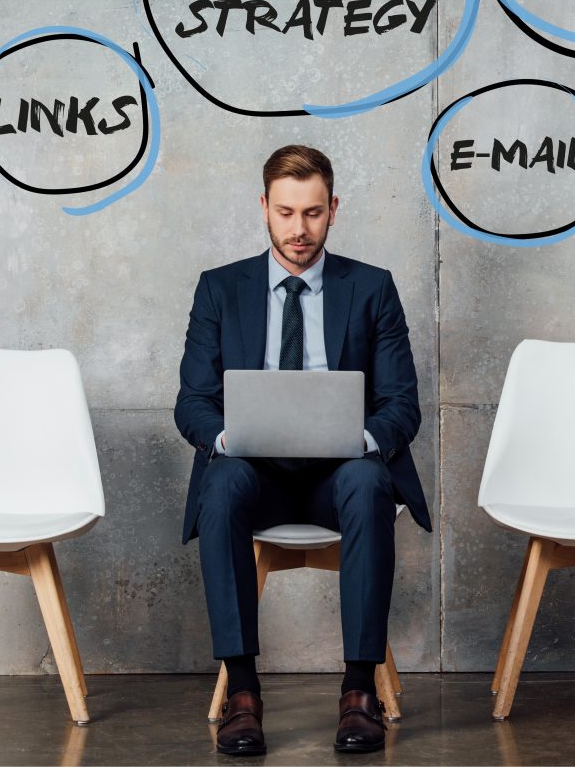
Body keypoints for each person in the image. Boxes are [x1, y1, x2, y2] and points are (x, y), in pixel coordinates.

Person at [175, 144, 431, 755]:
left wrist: (358, 437)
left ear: (334, 209)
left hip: (338, 476)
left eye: (313, 213)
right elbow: (192, 402)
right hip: (255, 473)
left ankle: (358, 689)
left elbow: (402, 405)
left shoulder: (371, 288)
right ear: (264, 207)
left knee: (371, 482)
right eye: (286, 212)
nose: (298, 229)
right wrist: (226, 437)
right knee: (221, 483)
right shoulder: (220, 289)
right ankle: (242, 692)